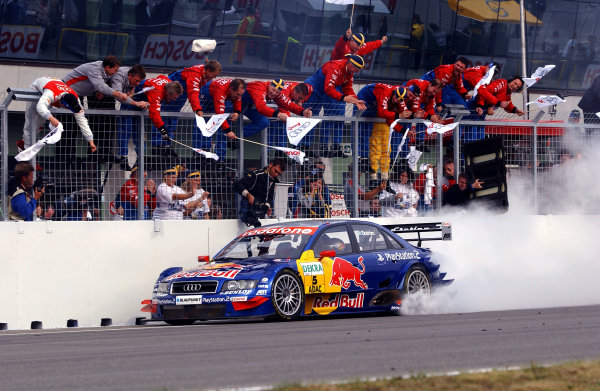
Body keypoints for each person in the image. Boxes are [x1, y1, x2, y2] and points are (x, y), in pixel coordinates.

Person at [63, 55, 129, 161]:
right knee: (70, 126)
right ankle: (66, 157)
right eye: (115, 70)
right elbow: (100, 85)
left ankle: (97, 154)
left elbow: (97, 85)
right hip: (67, 92)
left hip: (78, 94)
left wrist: (96, 91)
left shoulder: (105, 72)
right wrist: (117, 93)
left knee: (83, 123)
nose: (116, 73)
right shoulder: (94, 69)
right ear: (107, 67)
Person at [304, 54, 367, 156]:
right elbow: (328, 88)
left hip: (325, 91)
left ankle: (321, 147)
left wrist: (356, 100)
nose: (357, 71)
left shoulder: (349, 72)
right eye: (356, 68)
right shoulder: (335, 67)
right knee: (309, 117)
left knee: (333, 115)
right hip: (314, 89)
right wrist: (343, 98)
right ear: (350, 64)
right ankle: (304, 147)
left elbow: (347, 88)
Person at [21, 76, 97, 152]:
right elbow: (40, 106)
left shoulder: (75, 99)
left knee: (40, 123)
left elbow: (82, 120)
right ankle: (26, 150)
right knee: (31, 121)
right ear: (63, 104)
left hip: (54, 85)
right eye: (69, 108)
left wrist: (90, 140)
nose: (69, 110)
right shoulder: (50, 94)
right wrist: (51, 118)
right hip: (38, 86)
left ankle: (25, 144)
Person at [356, 84, 411, 181]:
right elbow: (383, 113)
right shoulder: (385, 93)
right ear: (393, 93)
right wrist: (398, 115)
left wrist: (404, 131)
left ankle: (384, 176)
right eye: (395, 97)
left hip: (379, 112)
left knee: (386, 150)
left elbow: (391, 119)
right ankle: (366, 164)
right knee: (367, 135)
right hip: (365, 97)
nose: (396, 100)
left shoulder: (398, 101)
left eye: (399, 100)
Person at [241, 78, 312, 139]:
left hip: (248, 106)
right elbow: (261, 108)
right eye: (273, 90)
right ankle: (229, 133)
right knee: (232, 117)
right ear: (269, 86)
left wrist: (303, 111)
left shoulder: (278, 95)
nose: (274, 93)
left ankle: (236, 137)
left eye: (277, 92)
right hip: (234, 101)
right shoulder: (260, 87)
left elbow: (289, 105)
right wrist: (278, 114)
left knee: (263, 122)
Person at [133, 75, 184, 157]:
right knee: (136, 132)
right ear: (168, 93)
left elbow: (161, 76)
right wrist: (163, 131)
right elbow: (154, 115)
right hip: (136, 98)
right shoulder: (156, 92)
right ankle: (138, 159)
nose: (174, 100)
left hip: (146, 98)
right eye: (173, 97)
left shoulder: (168, 83)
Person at [112, 64, 150, 170]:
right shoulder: (119, 75)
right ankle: (123, 157)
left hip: (137, 104)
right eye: (136, 80)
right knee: (125, 130)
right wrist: (135, 102)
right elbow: (118, 95)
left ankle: (141, 159)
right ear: (130, 75)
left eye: (139, 82)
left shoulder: (140, 83)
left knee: (140, 132)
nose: (138, 84)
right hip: (127, 104)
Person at [197, 78, 246, 159]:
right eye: (237, 94)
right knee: (204, 126)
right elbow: (219, 114)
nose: (239, 97)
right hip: (207, 98)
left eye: (241, 95)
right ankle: (202, 154)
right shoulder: (220, 90)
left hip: (221, 95)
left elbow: (238, 100)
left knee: (224, 125)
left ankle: (219, 158)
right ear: (231, 89)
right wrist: (228, 131)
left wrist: (237, 112)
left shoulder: (236, 89)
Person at [232, 157, 286, 227]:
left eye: (278, 174)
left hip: (259, 209)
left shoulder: (272, 181)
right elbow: (237, 185)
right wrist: (248, 195)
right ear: (270, 165)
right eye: (276, 171)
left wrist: (267, 207)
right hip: (248, 207)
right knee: (251, 221)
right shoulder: (256, 174)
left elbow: (270, 197)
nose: (276, 175)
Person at [269, 81, 313, 147]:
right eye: (300, 97)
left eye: (302, 97)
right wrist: (293, 126)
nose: (300, 99)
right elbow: (285, 113)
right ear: (294, 92)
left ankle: (281, 151)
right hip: (273, 103)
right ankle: (269, 152)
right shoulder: (284, 93)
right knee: (273, 129)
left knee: (285, 127)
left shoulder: (308, 88)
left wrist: (301, 101)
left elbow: (310, 90)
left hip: (287, 100)